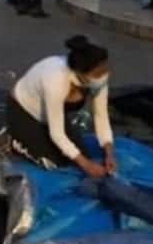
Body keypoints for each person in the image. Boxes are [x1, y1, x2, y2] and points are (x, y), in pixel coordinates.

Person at [7, 35, 116, 178]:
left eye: (105, 69)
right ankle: (11, 140)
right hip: (24, 111)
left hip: (52, 116)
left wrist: (109, 153)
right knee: (53, 164)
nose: (104, 75)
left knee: (82, 157)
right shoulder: (56, 80)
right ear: (81, 73)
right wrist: (86, 165)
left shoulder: (97, 81)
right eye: (98, 73)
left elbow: (101, 116)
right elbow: (57, 133)